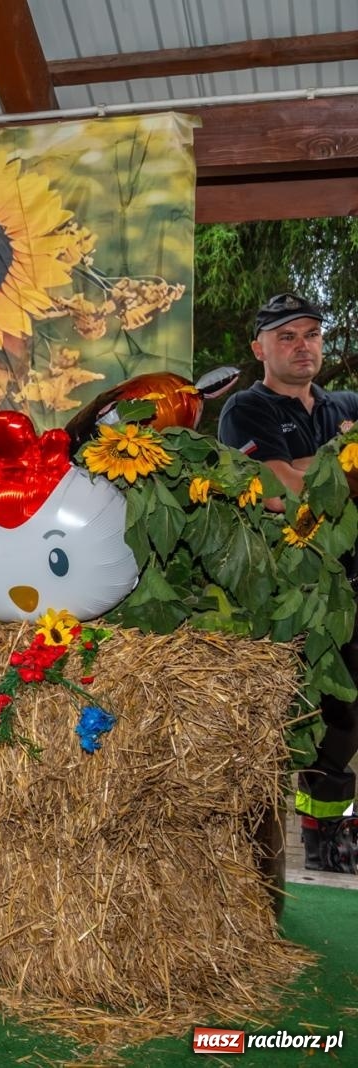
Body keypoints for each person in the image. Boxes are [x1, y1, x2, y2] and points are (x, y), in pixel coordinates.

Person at [217, 292, 358, 873]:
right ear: (260, 349)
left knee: (346, 715)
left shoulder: (345, 403)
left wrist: (308, 468)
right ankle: (256, 850)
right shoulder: (244, 410)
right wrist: (338, 466)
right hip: (285, 591)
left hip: (347, 585)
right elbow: (277, 488)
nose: (304, 346)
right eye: (287, 336)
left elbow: (302, 478)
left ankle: (328, 830)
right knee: (287, 717)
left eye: (312, 335)